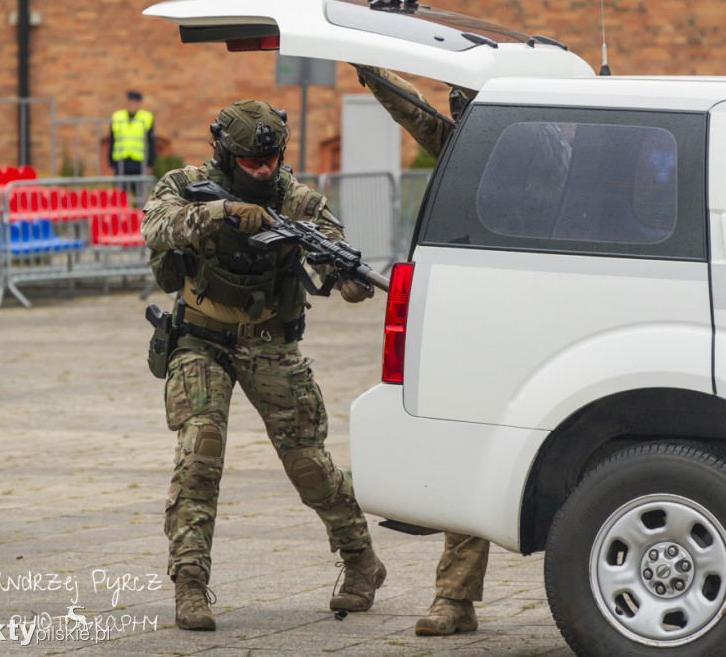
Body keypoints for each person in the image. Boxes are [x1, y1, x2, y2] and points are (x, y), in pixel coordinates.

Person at [140, 99, 385, 631]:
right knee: (199, 450)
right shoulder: (186, 183)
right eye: (252, 162)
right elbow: (156, 227)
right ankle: (190, 584)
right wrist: (221, 213)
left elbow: (334, 250)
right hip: (200, 338)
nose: (264, 169)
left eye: (271, 160)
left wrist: (347, 279)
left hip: (271, 341)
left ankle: (361, 560)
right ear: (226, 156)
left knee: (307, 464)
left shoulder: (299, 201)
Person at [356, 65, 484, 637]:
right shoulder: (463, 143)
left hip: (530, 314)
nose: (455, 115)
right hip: (465, 314)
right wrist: (373, 73)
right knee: (465, 451)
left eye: (465, 104)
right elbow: (415, 112)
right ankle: (453, 598)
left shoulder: (543, 147)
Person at [110, 90, 156, 187]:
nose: (133, 105)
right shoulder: (117, 117)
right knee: (121, 195)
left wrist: (150, 164)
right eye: (131, 102)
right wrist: (111, 164)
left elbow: (151, 143)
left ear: (139, 104)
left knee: (139, 194)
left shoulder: (146, 117)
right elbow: (112, 141)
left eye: (135, 102)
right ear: (127, 103)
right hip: (120, 160)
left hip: (139, 161)